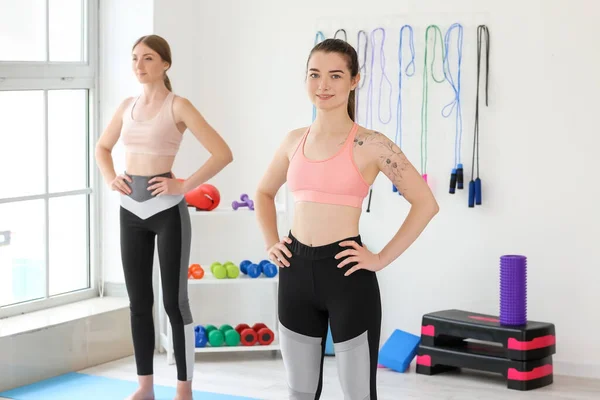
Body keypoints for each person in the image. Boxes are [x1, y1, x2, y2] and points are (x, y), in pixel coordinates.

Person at [255, 38, 439, 399]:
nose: (323, 85)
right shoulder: (293, 141)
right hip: (294, 272)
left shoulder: (372, 144)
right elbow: (263, 193)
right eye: (315, 75)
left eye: (335, 76)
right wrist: (270, 242)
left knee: (358, 394)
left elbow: (425, 203)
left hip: (347, 275)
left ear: (355, 81)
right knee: (299, 392)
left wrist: (381, 258)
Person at [95, 34, 233, 400]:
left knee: (175, 302)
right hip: (130, 211)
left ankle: (184, 389)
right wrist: (111, 178)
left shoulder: (179, 106)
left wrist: (184, 185)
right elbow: (102, 147)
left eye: (149, 58)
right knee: (139, 302)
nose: (140, 65)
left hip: (167, 211)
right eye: (135, 58)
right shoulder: (126, 106)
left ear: (165, 64)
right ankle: (144, 387)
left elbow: (222, 153)